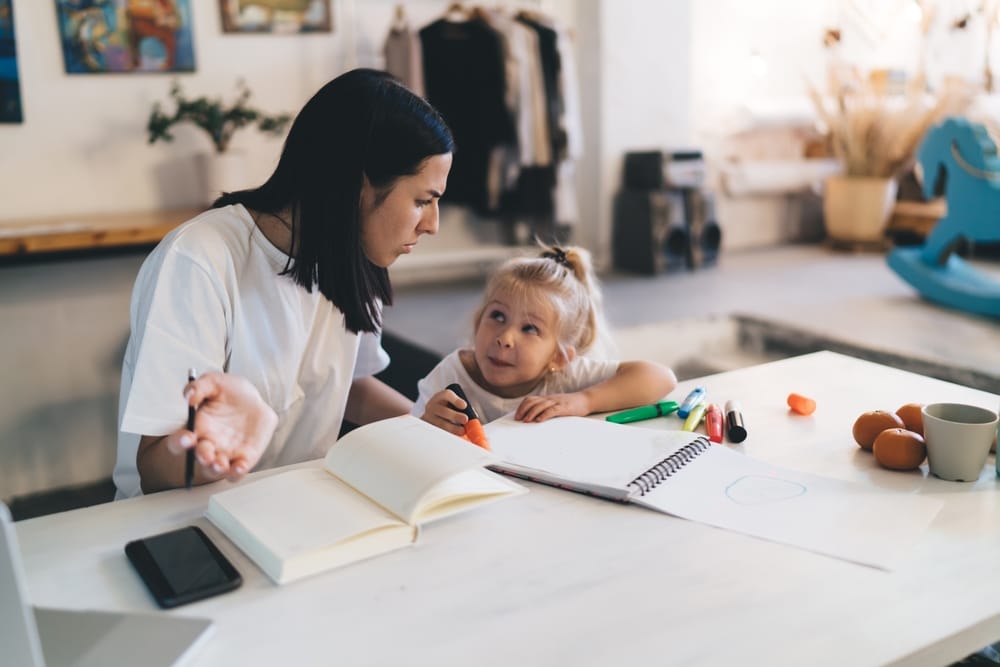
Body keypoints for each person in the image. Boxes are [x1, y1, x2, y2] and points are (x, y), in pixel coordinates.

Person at [113, 68, 455, 498]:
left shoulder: (351, 256)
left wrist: (423, 427)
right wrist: (217, 446)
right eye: (423, 201)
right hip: (185, 527)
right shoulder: (199, 259)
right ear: (359, 186)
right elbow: (154, 470)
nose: (433, 225)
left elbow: (349, 386)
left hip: (291, 508)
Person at [414, 244, 677, 433]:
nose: (505, 338)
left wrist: (584, 400)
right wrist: (427, 425)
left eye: (529, 329)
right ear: (477, 321)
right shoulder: (452, 376)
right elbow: (407, 439)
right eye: (497, 316)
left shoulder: (565, 377)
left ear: (559, 357)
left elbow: (661, 378)